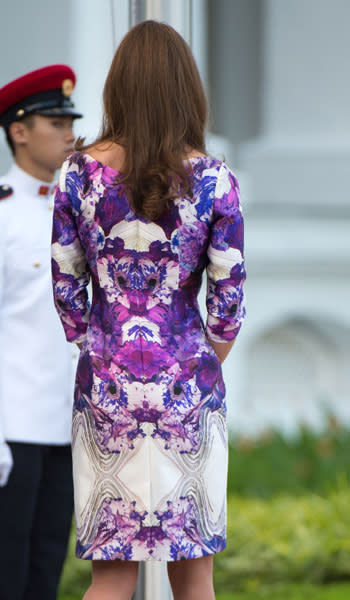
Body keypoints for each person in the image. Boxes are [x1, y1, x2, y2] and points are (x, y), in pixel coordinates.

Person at [51, 21, 246, 600]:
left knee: (110, 576)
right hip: (188, 387)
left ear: (118, 89)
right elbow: (229, 298)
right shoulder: (215, 181)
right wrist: (199, 364)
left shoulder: (77, 175)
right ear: (188, 90)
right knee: (195, 574)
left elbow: (66, 291)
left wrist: (100, 349)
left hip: (107, 389)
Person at [0, 65, 83, 600]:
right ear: (19, 130)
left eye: (70, 121)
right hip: (11, 431)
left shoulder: (76, 213)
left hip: (64, 427)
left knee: (46, 574)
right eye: (55, 121)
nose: (69, 133)